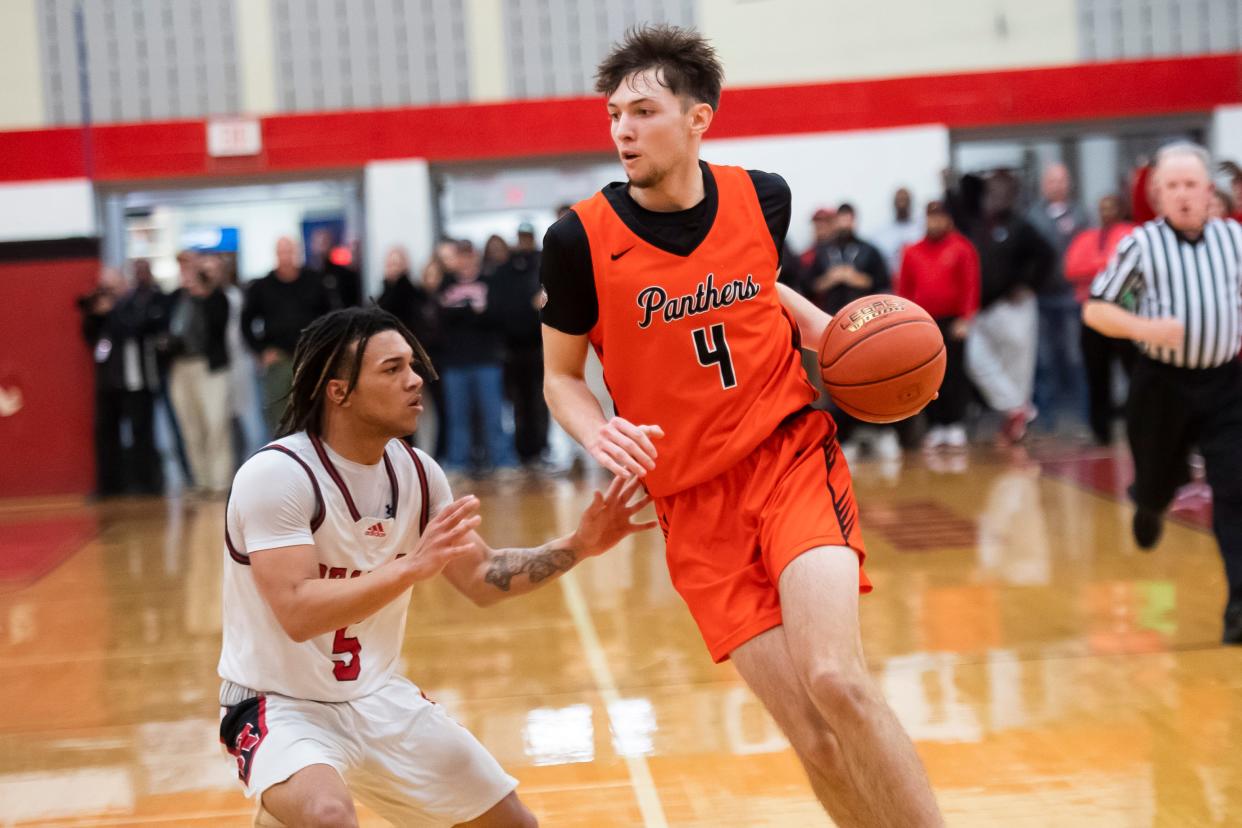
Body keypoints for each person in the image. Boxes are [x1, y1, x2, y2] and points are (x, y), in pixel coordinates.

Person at [539, 25, 942, 825]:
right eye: (614, 113)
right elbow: (558, 376)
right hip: (689, 503)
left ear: (699, 119)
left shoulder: (763, 196)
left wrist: (829, 331)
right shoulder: (577, 239)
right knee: (816, 740)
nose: (622, 128)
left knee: (838, 680)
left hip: (787, 455)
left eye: (643, 110)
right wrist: (594, 430)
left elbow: (756, 286)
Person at [218, 306, 654, 826]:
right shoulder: (276, 476)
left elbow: (482, 577)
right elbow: (297, 612)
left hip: (377, 696)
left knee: (516, 824)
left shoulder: (419, 475)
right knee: (328, 814)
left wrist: (579, 545)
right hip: (279, 701)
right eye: (393, 369)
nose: (416, 379)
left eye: (412, 365)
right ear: (339, 392)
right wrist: (410, 569)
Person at [1084, 142, 1242, 644]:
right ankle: (1150, 503)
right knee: (1157, 478)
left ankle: (1239, 605)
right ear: (1156, 196)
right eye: (1171, 187)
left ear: (1208, 191)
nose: (1182, 195)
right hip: (1162, 385)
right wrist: (1146, 327)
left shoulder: (1234, 239)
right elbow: (1097, 311)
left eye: (1190, 185)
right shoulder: (1142, 245)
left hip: (1225, 384)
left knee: (1236, 490)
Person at [963, 170, 1055, 443]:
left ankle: (1016, 422)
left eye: (1002, 191)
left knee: (1018, 367)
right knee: (975, 358)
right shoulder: (979, 224)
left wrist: (1028, 285)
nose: (996, 196)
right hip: (983, 307)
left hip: (1014, 306)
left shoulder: (1021, 225)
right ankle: (1017, 409)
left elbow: (1047, 256)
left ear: (1012, 195)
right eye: (992, 191)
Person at [896, 201, 980, 449]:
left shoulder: (962, 248)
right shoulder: (912, 251)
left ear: (948, 219)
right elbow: (904, 288)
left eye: (939, 217)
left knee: (954, 373)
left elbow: (970, 285)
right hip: (923, 322)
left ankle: (954, 424)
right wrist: (905, 320)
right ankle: (935, 425)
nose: (935, 222)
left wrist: (966, 318)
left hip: (953, 321)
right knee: (927, 375)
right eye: (931, 217)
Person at [79, 265, 165, 496]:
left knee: (141, 433)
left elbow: (135, 328)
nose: (107, 291)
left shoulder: (136, 302)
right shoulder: (101, 310)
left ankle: (145, 483)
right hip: (108, 382)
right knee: (105, 433)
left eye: (111, 286)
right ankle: (109, 485)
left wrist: (113, 309)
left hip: (136, 380)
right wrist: (95, 314)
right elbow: (91, 338)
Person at [436, 240, 518, 475]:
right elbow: (442, 319)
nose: (465, 261)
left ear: (475, 257)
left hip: (487, 360)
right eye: (460, 256)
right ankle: (458, 463)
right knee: (457, 417)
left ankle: (503, 463)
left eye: (468, 255)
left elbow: (498, 316)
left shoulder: (491, 282)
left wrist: (464, 313)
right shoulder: (446, 283)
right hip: (455, 362)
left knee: (493, 416)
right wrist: (472, 312)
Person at [1063, 194, 1136, 444]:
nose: (1106, 212)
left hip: (1124, 312)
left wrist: (1097, 268)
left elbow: (1129, 266)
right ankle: (1100, 430)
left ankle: (1140, 425)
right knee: (1096, 373)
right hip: (1092, 312)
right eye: (1102, 207)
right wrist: (1105, 265)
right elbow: (1072, 268)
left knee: (1134, 372)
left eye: (1111, 206)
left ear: (1121, 209)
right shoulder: (1086, 236)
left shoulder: (1131, 233)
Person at [242, 237, 333, 433]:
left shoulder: (314, 281)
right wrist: (260, 351)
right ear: (276, 254)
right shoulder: (262, 286)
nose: (286, 257)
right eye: (282, 252)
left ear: (297, 252)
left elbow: (332, 316)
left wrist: (326, 348)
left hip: (311, 357)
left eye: (290, 251)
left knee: (317, 414)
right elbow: (245, 322)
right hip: (279, 360)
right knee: (280, 419)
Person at [1027, 162, 1091, 432]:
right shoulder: (1032, 216)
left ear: (1069, 183)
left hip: (1073, 298)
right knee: (1043, 360)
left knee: (1075, 358)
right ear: (1044, 185)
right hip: (1041, 298)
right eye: (1052, 181)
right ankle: (1046, 420)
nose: (1057, 185)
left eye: (1061, 180)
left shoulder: (1082, 215)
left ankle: (1083, 418)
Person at [166, 250, 233, 494]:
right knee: (190, 426)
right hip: (180, 367)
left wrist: (203, 295)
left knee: (215, 423)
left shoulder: (217, 298)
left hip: (209, 367)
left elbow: (218, 326)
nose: (187, 271)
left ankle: (220, 481)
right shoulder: (175, 297)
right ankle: (201, 481)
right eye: (182, 266)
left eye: (190, 265)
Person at [874, 187, 925, 276]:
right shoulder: (883, 234)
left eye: (905, 199)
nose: (902, 203)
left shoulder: (922, 228)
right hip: (893, 281)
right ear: (894, 203)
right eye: (899, 200)